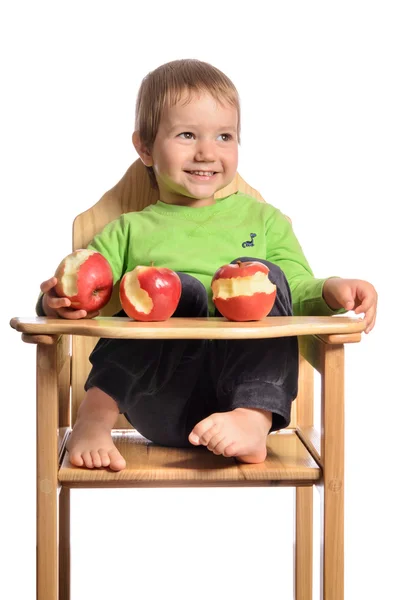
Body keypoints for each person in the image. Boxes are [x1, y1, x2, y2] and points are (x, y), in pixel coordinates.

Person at [37, 59, 378, 471]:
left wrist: (331, 289)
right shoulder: (127, 231)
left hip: (244, 392)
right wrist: (54, 301)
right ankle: (94, 418)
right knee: (179, 289)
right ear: (145, 146)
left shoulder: (263, 221)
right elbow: (82, 294)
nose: (207, 152)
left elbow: (297, 287)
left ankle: (252, 419)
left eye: (224, 136)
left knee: (264, 274)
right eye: (186, 134)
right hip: (157, 399)